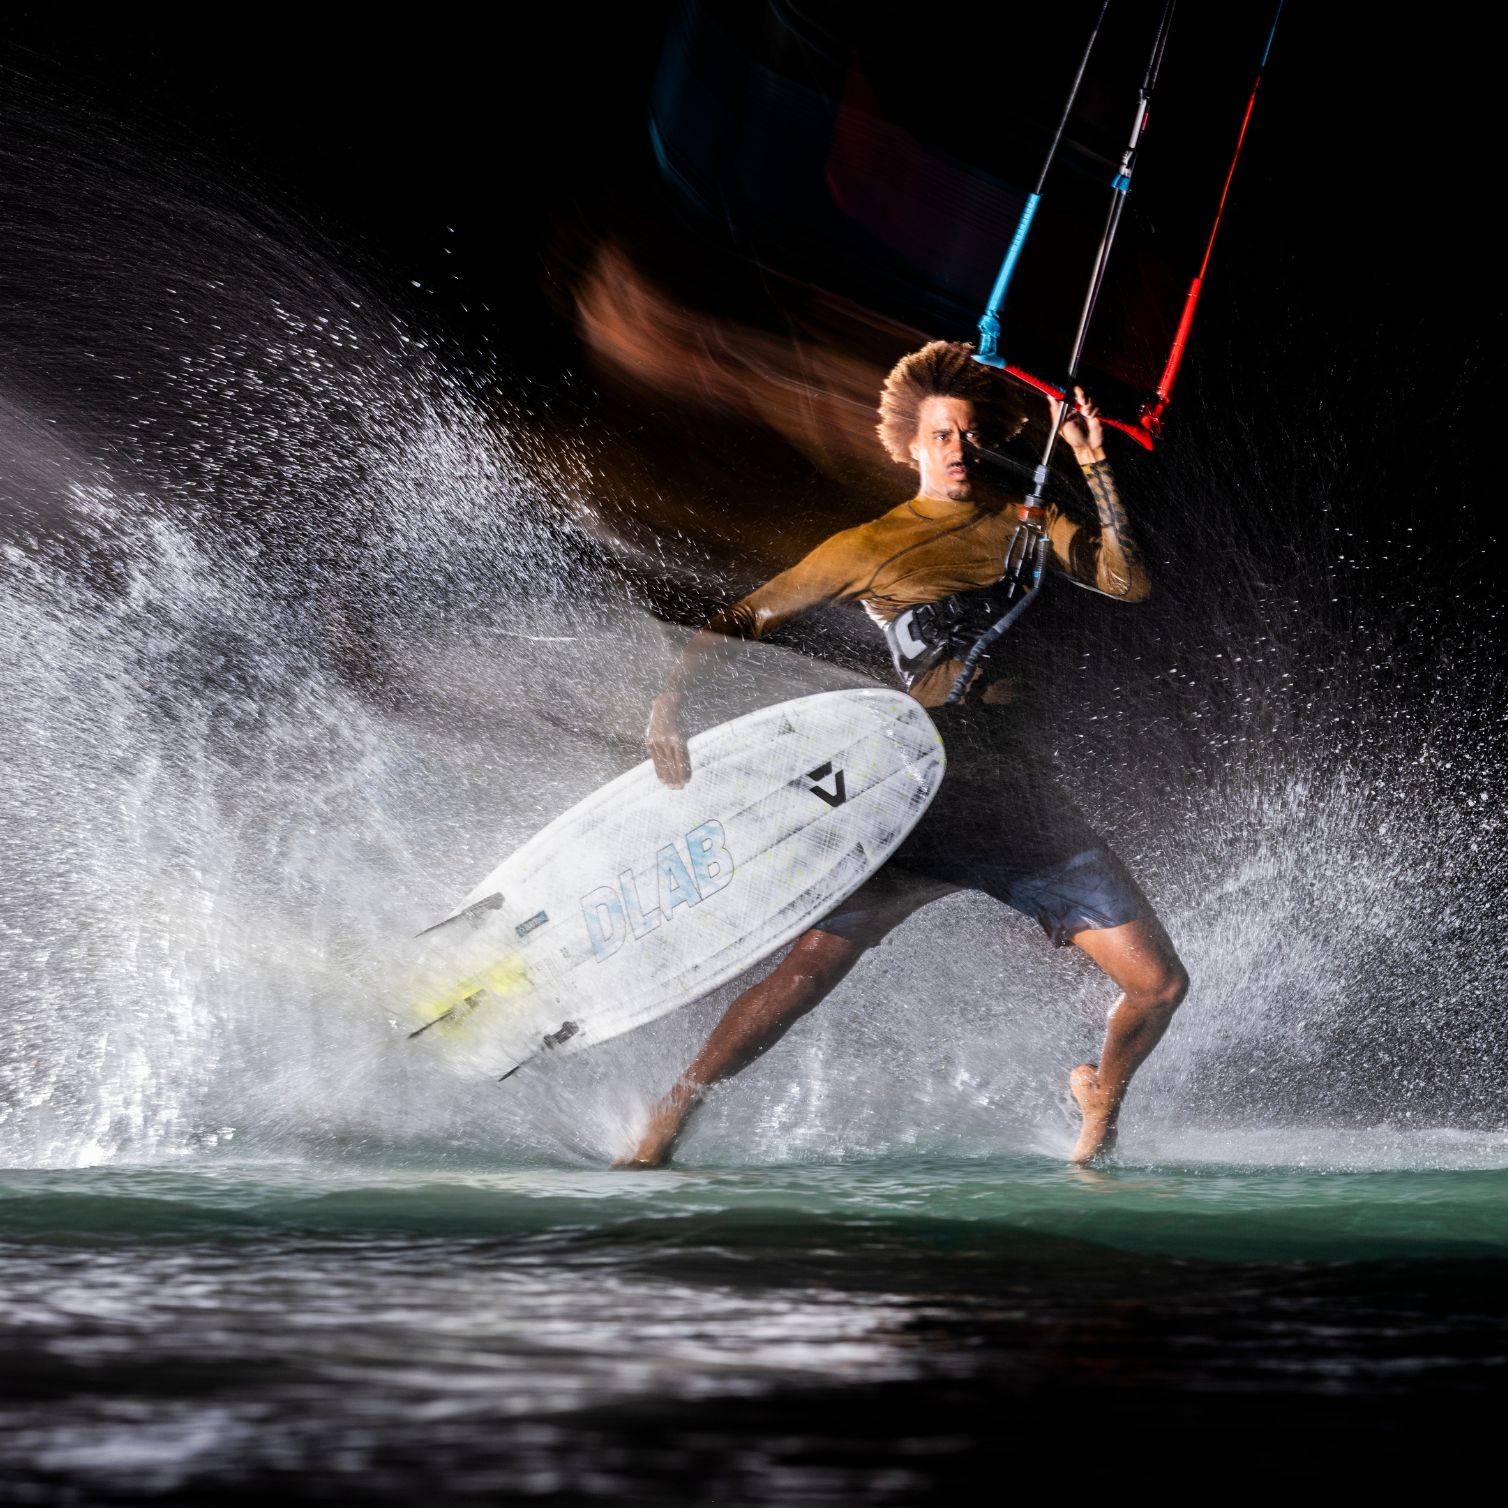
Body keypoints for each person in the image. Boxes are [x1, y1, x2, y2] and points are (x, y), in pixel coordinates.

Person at [623, 340, 1188, 1167]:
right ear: (911, 447)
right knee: (808, 974)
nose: (960, 449)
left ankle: (1102, 1095)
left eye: (971, 435)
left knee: (1159, 984)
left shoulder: (1026, 524)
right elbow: (743, 618)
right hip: (923, 797)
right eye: (942, 436)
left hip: (1022, 806)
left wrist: (1093, 464)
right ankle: (675, 1108)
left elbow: (1126, 581)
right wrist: (669, 702)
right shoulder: (869, 545)